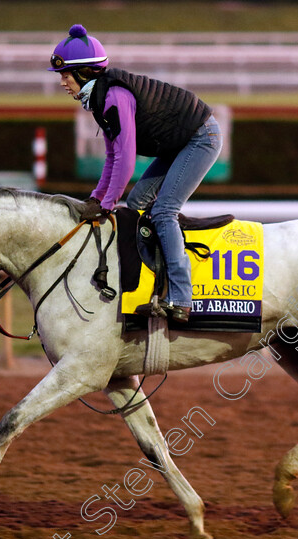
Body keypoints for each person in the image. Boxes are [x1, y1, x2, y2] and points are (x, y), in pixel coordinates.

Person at [49, 24, 222, 323]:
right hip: (179, 141)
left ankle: (181, 297)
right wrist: (96, 197)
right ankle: (153, 285)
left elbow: (126, 162)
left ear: (84, 73)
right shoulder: (100, 100)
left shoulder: (114, 97)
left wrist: (106, 204)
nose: (63, 82)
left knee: (165, 210)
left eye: (66, 75)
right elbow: (112, 156)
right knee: (139, 200)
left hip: (200, 137)